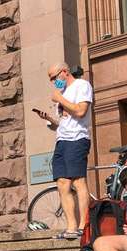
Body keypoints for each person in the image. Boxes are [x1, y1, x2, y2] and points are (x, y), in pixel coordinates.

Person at [33, 61, 93, 240]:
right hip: (62, 141)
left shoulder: (81, 85)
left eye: (54, 77)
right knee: (62, 183)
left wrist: (59, 99)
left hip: (77, 139)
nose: (53, 82)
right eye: (50, 79)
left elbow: (81, 111)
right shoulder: (63, 93)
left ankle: (84, 226)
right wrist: (50, 119)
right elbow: (63, 122)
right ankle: (71, 227)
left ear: (65, 72)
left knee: (78, 181)